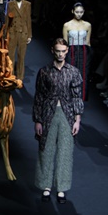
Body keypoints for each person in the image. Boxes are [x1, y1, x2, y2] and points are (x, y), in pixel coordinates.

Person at [33, 38, 84, 204]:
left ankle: (61, 188)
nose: (60, 54)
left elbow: (77, 96)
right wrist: (38, 120)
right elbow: (39, 96)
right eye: (58, 51)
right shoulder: (44, 71)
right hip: (48, 113)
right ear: (52, 51)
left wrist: (77, 119)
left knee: (65, 151)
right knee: (46, 150)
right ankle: (46, 186)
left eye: (63, 51)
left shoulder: (73, 72)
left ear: (67, 51)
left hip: (67, 114)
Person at [62, 2, 93, 100]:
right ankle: (68, 96)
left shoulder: (87, 25)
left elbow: (88, 42)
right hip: (71, 50)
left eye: (81, 12)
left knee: (84, 74)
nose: (79, 14)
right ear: (72, 11)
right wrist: (63, 54)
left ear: (84, 12)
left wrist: (90, 55)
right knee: (70, 73)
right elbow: (65, 42)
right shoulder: (67, 25)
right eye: (77, 12)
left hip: (84, 51)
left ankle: (81, 97)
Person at [6, 0, 32, 80]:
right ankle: (10, 76)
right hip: (13, 32)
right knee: (11, 56)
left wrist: (29, 35)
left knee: (21, 57)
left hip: (23, 33)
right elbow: (7, 19)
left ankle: (20, 78)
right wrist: (5, 34)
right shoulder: (10, 4)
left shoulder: (27, 4)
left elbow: (28, 20)